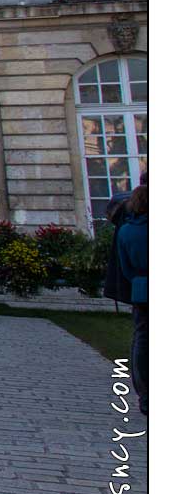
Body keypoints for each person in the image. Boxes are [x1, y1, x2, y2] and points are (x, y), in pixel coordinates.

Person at [113, 175, 147, 416]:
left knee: (142, 339)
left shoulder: (125, 231)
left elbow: (124, 267)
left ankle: (145, 395)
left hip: (141, 288)